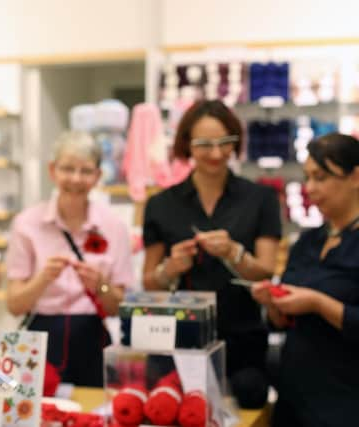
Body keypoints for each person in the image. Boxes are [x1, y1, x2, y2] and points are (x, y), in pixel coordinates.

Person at [142, 100, 281, 408]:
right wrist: (171, 269)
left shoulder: (260, 199)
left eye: (226, 143)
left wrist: (235, 252)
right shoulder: (161, 205)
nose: (217, 154)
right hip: (178, 339)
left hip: (243, 340)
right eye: (205, 144)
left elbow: (266, 271)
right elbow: (150, 283)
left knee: (248, 401)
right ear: (186, 145)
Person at [6, 131, 134, 387]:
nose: (76, 179)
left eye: (85, 171)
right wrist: (42, 279)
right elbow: (14, 305)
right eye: (67, 169)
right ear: (52, 171)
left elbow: (120, 307)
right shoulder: (27, 223)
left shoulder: (114, 226)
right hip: (39, 336)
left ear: (98, 176)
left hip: (92, 338)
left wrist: (100, 285)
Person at [251, 133, 359, 427]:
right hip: (294, 397)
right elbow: (281, 322)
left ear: (355, 177)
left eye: (321, 177)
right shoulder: (308, 242)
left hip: (345, 401)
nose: (310, 188)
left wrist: (317, 303)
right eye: (307, 177)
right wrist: (274, 302)